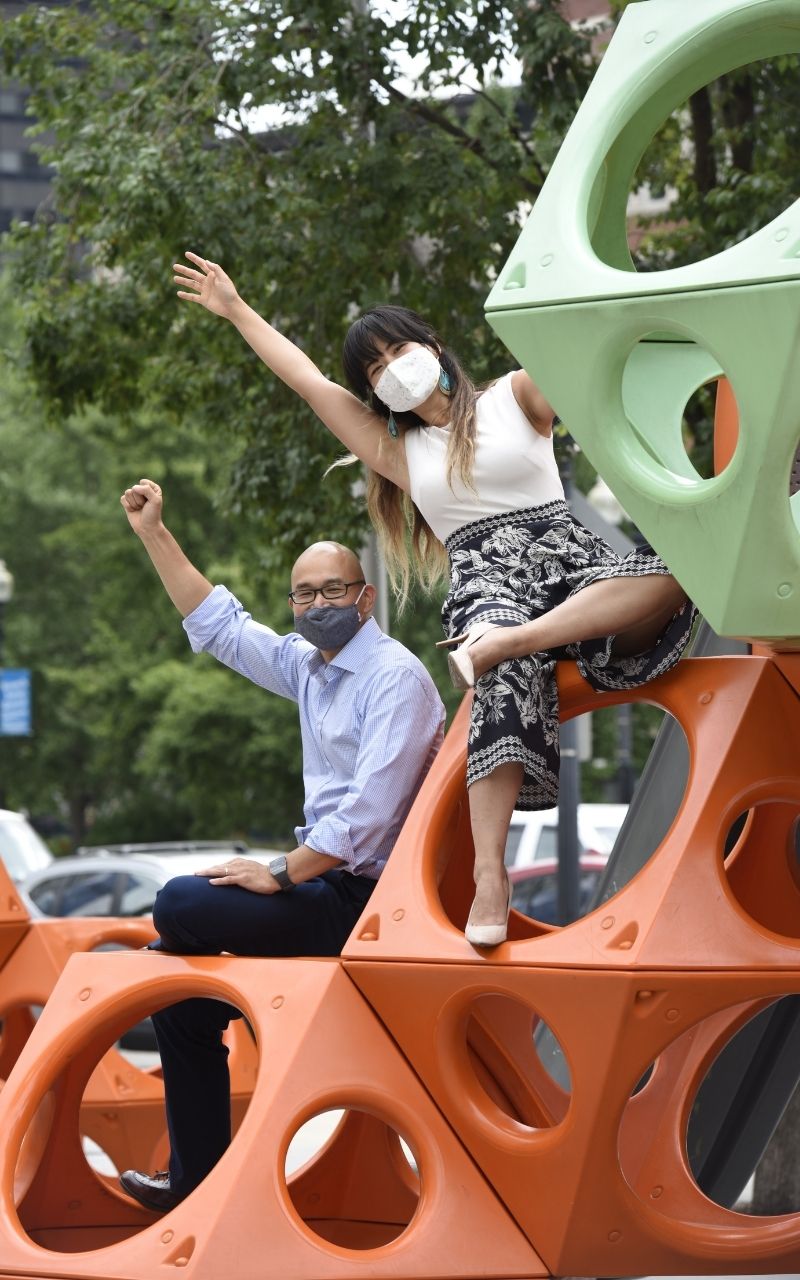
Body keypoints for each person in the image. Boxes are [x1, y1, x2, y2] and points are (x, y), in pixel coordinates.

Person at [172, 252, 696, 947]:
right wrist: (236, 309)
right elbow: (306, 381)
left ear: (435, 347)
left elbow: (587, 359)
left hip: (573, 563)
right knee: (496, 667)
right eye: (375, 368)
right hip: (491, 578)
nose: (394, 367)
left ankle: (516, 642)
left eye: (400, 349)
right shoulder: (400, 454)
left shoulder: (516, 397)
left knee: (680, 561)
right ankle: (490, 874)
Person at [116, 477, 444, 1212]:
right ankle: (198, 1187)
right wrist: (154, 533)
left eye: (333, 591)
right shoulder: (308, 668)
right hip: (324, 889)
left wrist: (278, 873)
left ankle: (204, 1176)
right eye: (303, 596)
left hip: (372, 902)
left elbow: (370, 813)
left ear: (365, 597)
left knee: (178, 905)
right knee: (179, 997)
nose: (317, 606)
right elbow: (222, 627)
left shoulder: (395, 679)